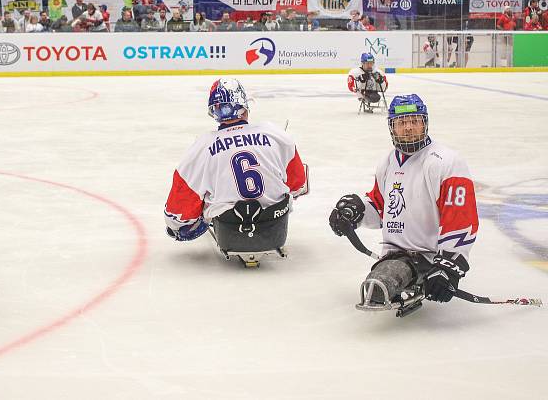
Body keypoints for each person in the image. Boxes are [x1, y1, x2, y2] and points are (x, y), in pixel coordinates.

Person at [328, 94, 478, 311]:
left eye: (414, 121)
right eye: (401, 123)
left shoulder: (446, 162)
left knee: (377, 286)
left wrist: (448, 265)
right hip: (395, 254)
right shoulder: (388, 162)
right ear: (392, 127)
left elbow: (461, 219)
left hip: (429, 258)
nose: (408, 128)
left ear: (424, 123)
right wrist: (355, 214)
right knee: (377, 287)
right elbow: (382, 208)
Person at [164, 79, 308, 257]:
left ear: (214, 111)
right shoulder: (274, 133)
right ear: (245, 106)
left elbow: (178, 209)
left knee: (197, 198)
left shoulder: (202, 146)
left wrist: (178, 226)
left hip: (230, 231)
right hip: (275, 226)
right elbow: (299, 184)